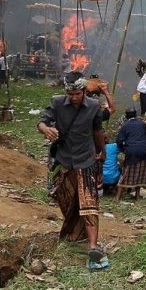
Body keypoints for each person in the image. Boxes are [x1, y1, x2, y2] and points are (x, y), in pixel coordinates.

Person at [37, 71, 108, 268]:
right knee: (66, 199)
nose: (74, 97)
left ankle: (93, 246)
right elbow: (42, 120)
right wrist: (46, 129)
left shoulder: (93, 106)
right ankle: (75, 232)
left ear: (84, 91)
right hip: (64, 159)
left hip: (86, 159)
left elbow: (97, 131)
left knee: (89, 202)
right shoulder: (57, 102)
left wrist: (103, 151)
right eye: (71, 94)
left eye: (78, 93)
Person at [115, 107, 146, 201]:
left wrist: (124, 149)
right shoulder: (142, 124)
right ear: (136, 114)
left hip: (131, 152)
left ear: (126, 116)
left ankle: (117, 198)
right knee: (140, 174)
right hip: (143, 151)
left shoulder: (125, 126)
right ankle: (137, 196)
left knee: (125, 174)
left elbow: (119, 141)